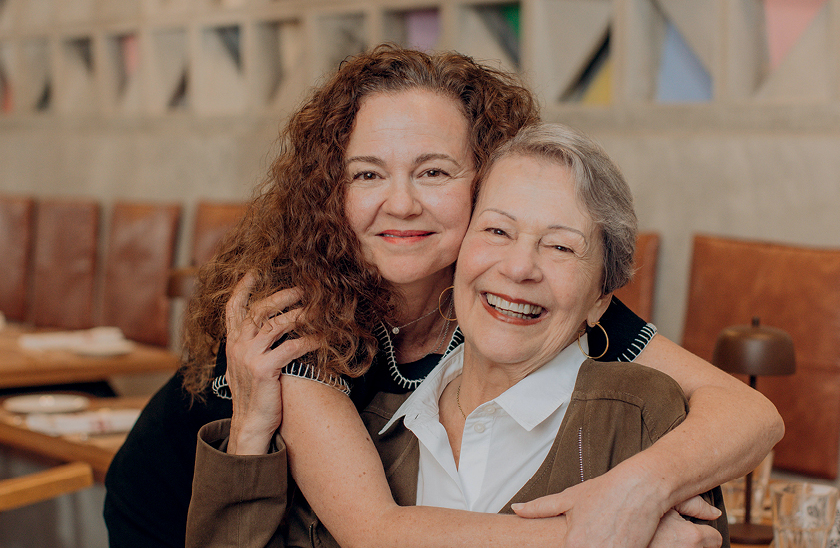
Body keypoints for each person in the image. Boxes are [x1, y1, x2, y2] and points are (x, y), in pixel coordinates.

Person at [104, 45, 781, 548]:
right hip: (181, 511)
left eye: (433, 171)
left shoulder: (513, 290)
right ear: (334, 192)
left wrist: (640, 488)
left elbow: (748, 413)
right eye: (368, 174)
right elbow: (375, 532)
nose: (400, 203)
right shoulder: (302, 306)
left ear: (487, 182)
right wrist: (624, 533)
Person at [187, 122, 732, 548]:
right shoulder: (374, 428)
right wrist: (249, 436)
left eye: (561, 246)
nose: (519, 268)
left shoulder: (646, 420)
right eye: (496, 230)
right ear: (457, 254)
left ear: (600, 298)